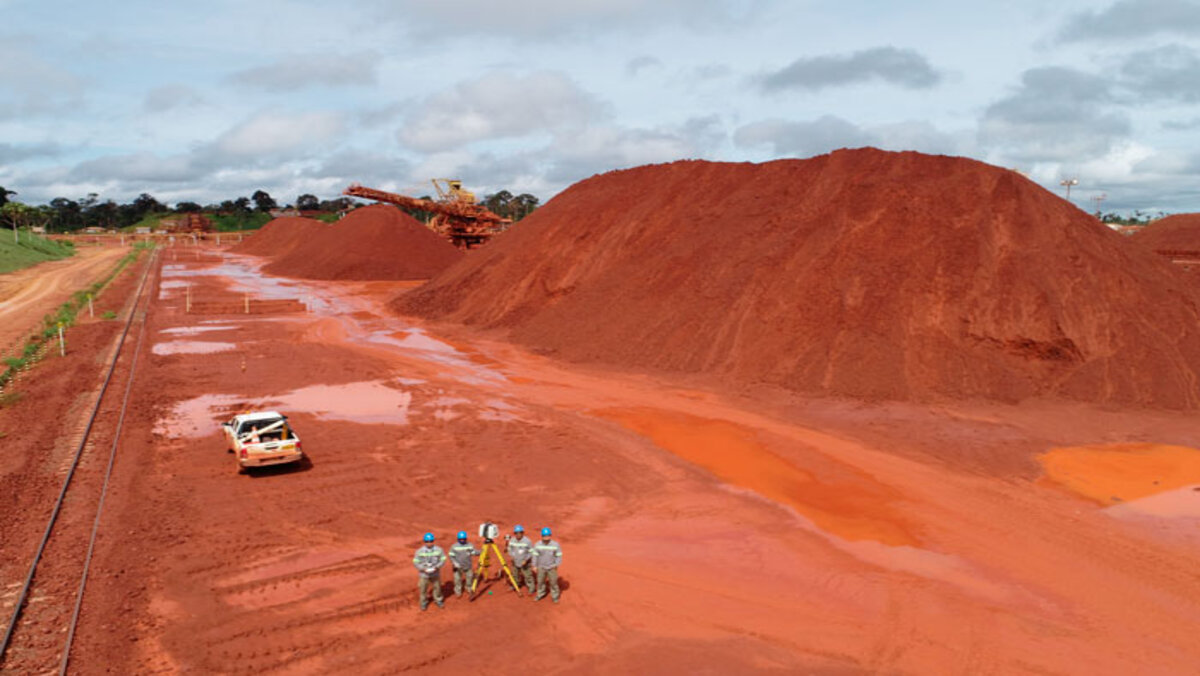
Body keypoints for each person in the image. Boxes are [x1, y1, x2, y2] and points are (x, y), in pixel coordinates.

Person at [412, 532, 447, 610]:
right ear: (424, 542)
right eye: (427, 541)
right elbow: (415, 562)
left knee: (437, 588)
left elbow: (443, 559)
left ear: (433, 541)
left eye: (431, 541)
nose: (429, 543)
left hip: (435, 573)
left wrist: (437, 567)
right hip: (424, 574)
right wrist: (422, 569)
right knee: (423, 589)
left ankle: (438, 600)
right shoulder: (419, 551)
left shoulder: (439, 550)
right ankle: (423, 603)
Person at [532, 527, 563, 603]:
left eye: (548, 535)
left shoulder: (555, 545)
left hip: (551, 567)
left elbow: (559, 555)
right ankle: (540, 594)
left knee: (553, 582)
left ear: (550, 535)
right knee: (540, 582)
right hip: (541, 567)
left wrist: (556, 564)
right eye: (544, 535)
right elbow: (535, 556)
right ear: (542, 536)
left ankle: (555, 596)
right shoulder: (537, 544)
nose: (546, 537)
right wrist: (534, 566)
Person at [449, 530, 480, 597]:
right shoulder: (454, 546)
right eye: (461, 539)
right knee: (457, 580)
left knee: (469, 578)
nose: (462, 540)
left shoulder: (470, 545)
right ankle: (458, 591)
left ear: (466, 539)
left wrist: (481, 551)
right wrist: (454, 563)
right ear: (458, 539)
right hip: (457, 567)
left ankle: (468, 588)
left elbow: (473, 552)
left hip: (468, 566)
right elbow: (451, 556)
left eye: (463, 539)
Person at [506, 524, 535, 595]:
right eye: (516, 533)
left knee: (528, 576)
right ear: (514, 533)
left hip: (525, 562)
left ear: (522, 533)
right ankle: (515, 585)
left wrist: (526, 559)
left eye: (520, 533)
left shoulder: (527, 541)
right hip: (515, 561)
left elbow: (531, 552)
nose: (518, 535)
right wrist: (512, 556)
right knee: (515, 574)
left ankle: (531, 588)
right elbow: (510, 549)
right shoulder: (512, 540)